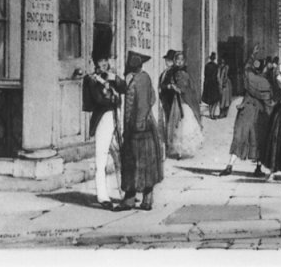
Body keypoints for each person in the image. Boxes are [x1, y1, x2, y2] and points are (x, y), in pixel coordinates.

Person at [82, 49, 126, 209]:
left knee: (120, 156)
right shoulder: (91, 80)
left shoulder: (111, 77)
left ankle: (125, 193)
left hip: (116, 117)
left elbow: (124, 88)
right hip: (102, 119)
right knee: (101, 158)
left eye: (106, 60)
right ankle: (102, 196)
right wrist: (112, 97)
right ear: (95, 64)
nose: (105, 64)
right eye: (101, 61)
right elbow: (98, 100)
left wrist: (115, 80)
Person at [119, 50, 163, 211]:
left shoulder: (141, 79)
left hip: (141, 128)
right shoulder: (137, 78)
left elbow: (146, 102)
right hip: (137, 126)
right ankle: (135, 198)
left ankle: (142, 198)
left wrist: (138, 125)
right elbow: (152, 97)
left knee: (142, 162)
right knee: (137, 163)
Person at [220, 54, 273, 177]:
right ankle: (258, 168)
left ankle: (230, 165)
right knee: (259, 140)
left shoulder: (249, 77)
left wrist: (252, 56)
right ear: (264, 69)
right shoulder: (265, 83)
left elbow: (246, 67)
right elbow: (268, 102)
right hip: (259, 114)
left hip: (245, 112)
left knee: (239, 137)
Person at [164, 50, 204, 159]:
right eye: (177, 60)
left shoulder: (184, 73)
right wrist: (171, 87)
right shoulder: (173, 72)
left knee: (185, 122)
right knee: (177, 123)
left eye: (181, 60)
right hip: (176, 101)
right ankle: (178, 151)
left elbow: (186, 87)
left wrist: (177, 88)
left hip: (184, 100)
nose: (179, 62)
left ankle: (184, 150)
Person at [202, 53, 221, 120]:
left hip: (208, 83)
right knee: (215, 99)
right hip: (214, 83)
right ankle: (212, 114)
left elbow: (205, 75)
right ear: (214, 58)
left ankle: (210, 114)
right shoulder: (216, 66)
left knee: (210, 99)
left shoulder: (206, 65)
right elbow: (217, 76)